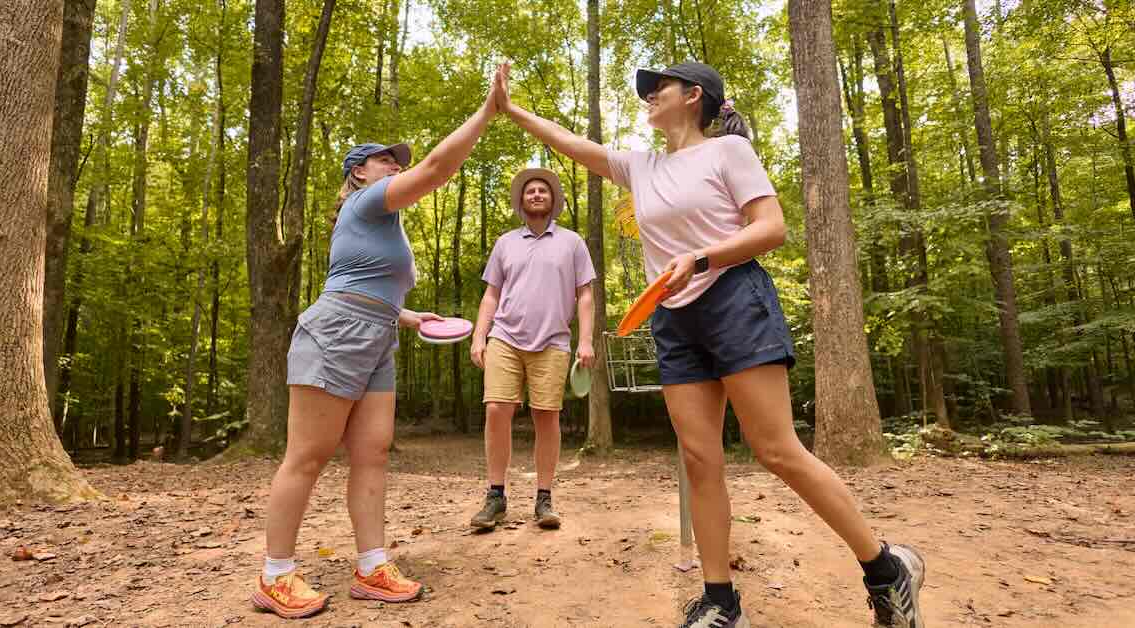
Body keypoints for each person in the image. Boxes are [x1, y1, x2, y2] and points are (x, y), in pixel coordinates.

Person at [494, 62, 925, 628]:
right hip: (673, 319)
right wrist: (510, 109)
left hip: (733, 300)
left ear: (693, 96)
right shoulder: (641, 167)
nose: (648, 96)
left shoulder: (728, 153)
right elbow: (572, 143)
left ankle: (885, 571)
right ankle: (721, 602)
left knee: (775, 450)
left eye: (659, 88)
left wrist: (701, 257)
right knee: (700, 460)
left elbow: (771, 228)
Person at [251, 66, 507, 619]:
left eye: (398, 159)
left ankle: (371, 566)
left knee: (372, 454)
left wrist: (410, 316)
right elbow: (439, 167)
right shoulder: (367, 203)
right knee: (308, 456)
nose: (397, 164)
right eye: (385, 159)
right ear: (358, 173)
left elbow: (368, 284)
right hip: (337, 333)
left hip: (379, 334)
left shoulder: (382, 222)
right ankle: (275, 575)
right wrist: (486, 112)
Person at [468, 168, 597, 531]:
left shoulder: (572, 242)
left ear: (553, 200)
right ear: (521, 202)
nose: (537, 194)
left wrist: (585, 340)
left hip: (553, 340)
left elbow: (585, 294)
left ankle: (544, 498)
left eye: (543, 190)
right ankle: (495, 496)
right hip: (505, 337)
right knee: (496, 409)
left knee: (546, 416)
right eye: (530, 191)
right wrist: (480, 335)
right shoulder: (505, 243)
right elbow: (491, 293)